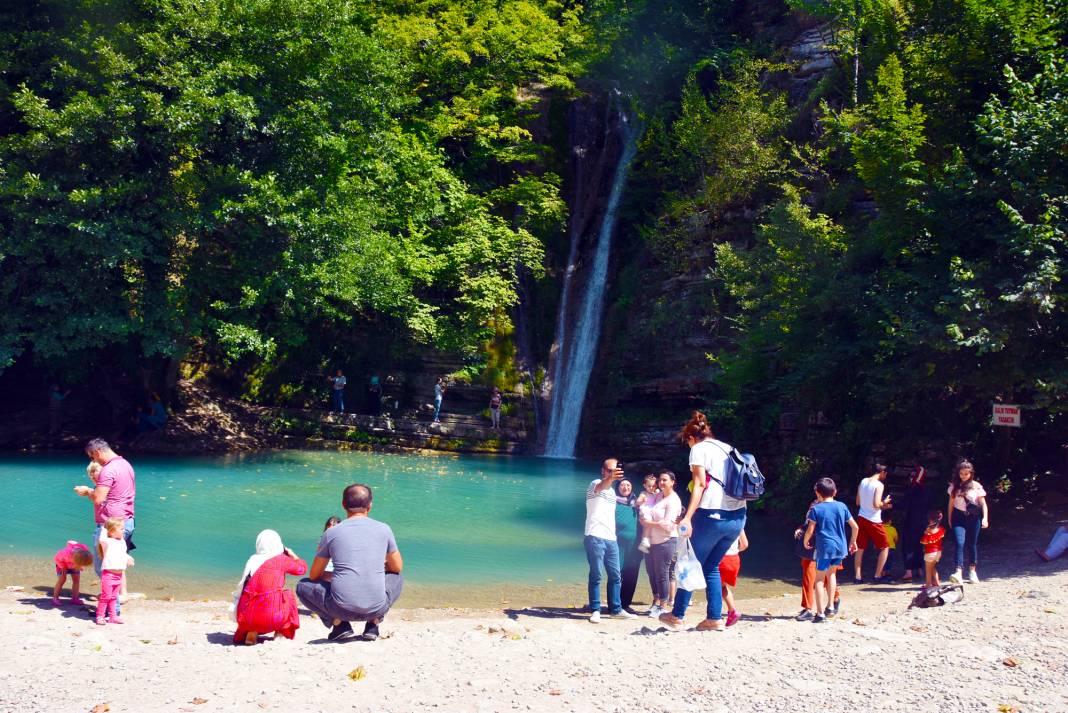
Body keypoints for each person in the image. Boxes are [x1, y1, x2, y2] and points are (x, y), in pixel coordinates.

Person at [661, 411, 746, 632]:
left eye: (686, 441)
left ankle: (677, 615)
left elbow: (699, 485)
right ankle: (715, 618)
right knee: (710, 566)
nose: (687, 446)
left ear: (691, 437)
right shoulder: (729, 449)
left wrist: (688, 517)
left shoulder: (698, 450)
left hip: (712, 516)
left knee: (690, 561)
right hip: (737, 518)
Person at [297, 484, 404, 642]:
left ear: (343, 505)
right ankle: (373, 623)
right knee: (397, 577)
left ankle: (338, 624)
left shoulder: (331, 532)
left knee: (302, 586)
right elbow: (397, 568)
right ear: (370, 505)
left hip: (340, 609)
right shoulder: (384, 529)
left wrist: (337, 575)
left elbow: (314, 575)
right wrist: (374, 569)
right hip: (376, 607)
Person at [76, 439, 136, 606]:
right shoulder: (126, 464)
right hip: (127, 521)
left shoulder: (108, 470)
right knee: (116, 564)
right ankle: (116, 600)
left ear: (97, 452)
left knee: (104, 566)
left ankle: (112, 607)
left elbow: (98, 498)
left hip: (109, 525)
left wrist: (87, 491)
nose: (94, 461)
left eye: (92, 457)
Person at [583, 459, 636, 623]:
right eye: (610, 470)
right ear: (603, 471)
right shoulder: (596, 483)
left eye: (615, 470)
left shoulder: (613, 492)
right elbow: (600, 488)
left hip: (611, 538)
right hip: (594, 536)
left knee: (615, 575)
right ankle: (596, 610)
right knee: (596, 574)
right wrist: (611, 478)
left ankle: (616, 609)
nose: (613, 473)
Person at [232, 530, 307, 645]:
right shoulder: (282, 560)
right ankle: (280, 632)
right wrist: (293, 556)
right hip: (270, 619)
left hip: (246, 618)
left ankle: (252, 631)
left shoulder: (252, 560)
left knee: (254, 595)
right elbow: (302, 569)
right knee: (288, 594)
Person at [803, 478, 859, 624]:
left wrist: (805, 540)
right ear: (835, 492)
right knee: (832, 574)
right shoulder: (842, 506)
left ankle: (820, 614)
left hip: (825, 548)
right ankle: (831, 606)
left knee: (819, 579)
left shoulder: (817, 509)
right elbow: (855, 527)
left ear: (817, 493)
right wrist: (853, 542)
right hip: (840, 547)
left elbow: (810, 529)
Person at [641, 470, 681, 619]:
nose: (661, 483)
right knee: (651, 572)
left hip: (666, 541)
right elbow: (647, 505)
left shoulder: (674, 500)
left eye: (665, 480)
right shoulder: (658, 496)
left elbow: (668, 525)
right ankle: (655, 600)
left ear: (672, 482)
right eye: (660, 480)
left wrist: (648, 523)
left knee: (662, 574)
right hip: (651, 541)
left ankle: (663, 606)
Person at [794, 500, 841, 621]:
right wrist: (801, 528)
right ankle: (808, 608)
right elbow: (808, 523)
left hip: (824, 546)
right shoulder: (815, 504)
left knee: (826, 576)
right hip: (813, 546)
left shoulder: (835, 507)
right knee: (809, 577)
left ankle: (834, 599)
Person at [947, 459, 989, 583]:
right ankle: (958, 571)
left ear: (971, 473)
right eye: (961, 473)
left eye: (966, 474)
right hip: (958, 517)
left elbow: (983, 504)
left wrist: (985, 518)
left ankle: (972, 571)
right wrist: (949, 518)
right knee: (959, 543)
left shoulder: (976, 486)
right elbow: (951, 504)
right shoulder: (954, 486)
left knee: (972, 544)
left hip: (973, 518)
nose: (964, 476)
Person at [853, 462, 893, 583]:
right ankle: (877, 575)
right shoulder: (879, 485)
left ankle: (857, 577)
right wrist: (885, 503)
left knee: (860, 548)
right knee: (885, 546)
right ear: (882, 472)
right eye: (885, 474)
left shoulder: (863, 481)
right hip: (874, 520)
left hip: (861, 518)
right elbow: (876, 504)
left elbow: (858, 502)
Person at [96, 516, 134, 625]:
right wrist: (104, 526)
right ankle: (100, 616)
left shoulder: (121, 542)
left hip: (118, 575)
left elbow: (123, 553)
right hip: (108, 574)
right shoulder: (107, 542)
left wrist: (128, 558)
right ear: (112, 531)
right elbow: (102, 538)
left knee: (113, 597)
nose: (124, 530)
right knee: (106, 597)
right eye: (121, 529)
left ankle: (113, 616)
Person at [614, 480, 642, 612]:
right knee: (616, 572)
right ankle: (614, 603)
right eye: (622, 485)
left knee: (631, 573)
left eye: (628, 485)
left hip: (635, 543)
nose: (625, 487)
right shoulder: (611, 501)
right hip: (617, 542)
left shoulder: (638, 503)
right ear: (617, 487)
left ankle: (625, 604)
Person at [899, 465, 930, 582]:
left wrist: (889, 506)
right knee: (919, 546)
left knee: (908, 546)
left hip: (910, 522)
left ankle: (909, 571)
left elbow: (903, 504)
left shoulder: (912, 490)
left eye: (913, 476)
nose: (910, 478)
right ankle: (919, 568)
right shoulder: (926, 490)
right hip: (922, 522)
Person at [719, 529, 749, 627]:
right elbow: (744, 545)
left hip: (721, 558)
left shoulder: (717, 521)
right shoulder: (739, 523)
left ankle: (714, 616)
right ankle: (731, 612)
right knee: (722, 586)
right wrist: (735, 550)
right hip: (734, 559)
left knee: (714, 586)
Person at [52, 541, 92, 606]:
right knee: (62, 579)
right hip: (62, 564)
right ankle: (55, 598)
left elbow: (85, 559)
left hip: (75, 564)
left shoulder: (84, 551)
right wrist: (63, 568)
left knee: (76, 580)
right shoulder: (65, 553)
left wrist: (80, 566)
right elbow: (56, 559)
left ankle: (75, 599)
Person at [920, 510, 946, 589]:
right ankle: (937, 582)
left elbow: (924, 541)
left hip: (930, 553)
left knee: (928, 570)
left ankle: (928, 584)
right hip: (938, 552)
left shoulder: (928, 530)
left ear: (930, 519)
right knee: (933, 567)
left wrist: (926, 532)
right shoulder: (941, 529)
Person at [636, 473, 660, 554]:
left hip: (651, 511)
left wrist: (657, 491)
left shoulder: (655, 493)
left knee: (649, 527)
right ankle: (644, 540)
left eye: (653, 486)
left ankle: (645, 542)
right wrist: (642, 500)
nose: (651, 488)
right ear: (644, 485)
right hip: (645, 510)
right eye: (649, 486)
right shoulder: (644, 493)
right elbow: (637, 502)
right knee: (648, 525)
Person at [321, 515, 341, 581]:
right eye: (329, 525)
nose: (331, 527)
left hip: (334, 570)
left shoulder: (341, 540)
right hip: (326, 569)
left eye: (333, 525)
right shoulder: (323, 538)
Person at [883, 512, 899, 577]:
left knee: (883, 561)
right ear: (889, 521)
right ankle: (888, 573)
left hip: (882, 548)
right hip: (891, 548)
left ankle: (882, 573)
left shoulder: (881, 528)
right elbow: (896, 539)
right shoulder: (893, 529)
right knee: (889, 561)